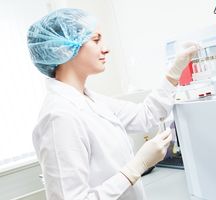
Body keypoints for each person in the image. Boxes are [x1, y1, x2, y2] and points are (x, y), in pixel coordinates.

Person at [27, 8, 198, 199]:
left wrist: (175, 70)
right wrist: (136, 167)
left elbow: (146, 114)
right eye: (96, 39)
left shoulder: (91, 100)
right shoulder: (59, 117)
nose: (106, 48)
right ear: (65, 48)